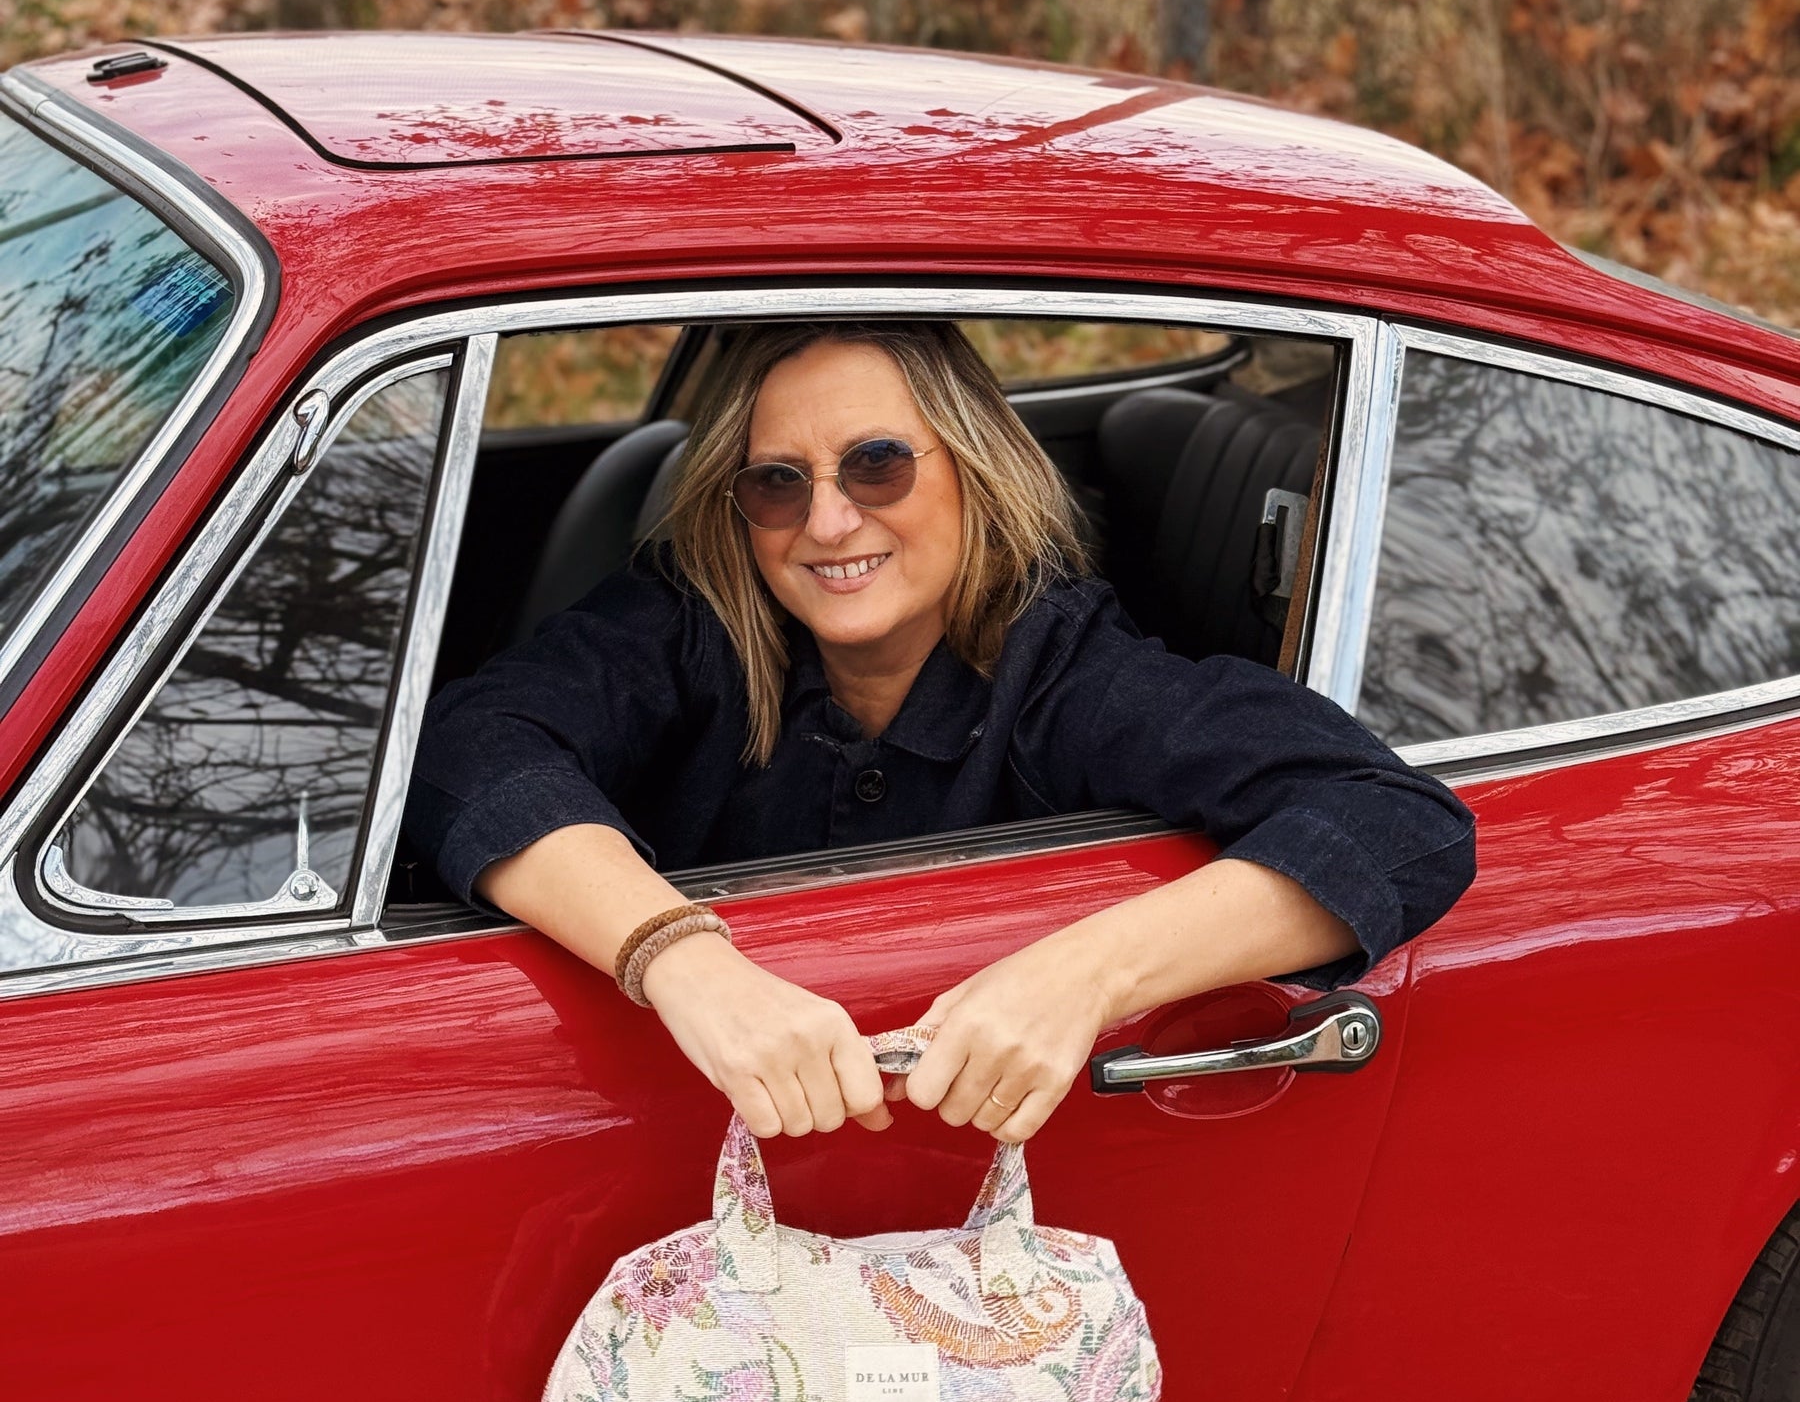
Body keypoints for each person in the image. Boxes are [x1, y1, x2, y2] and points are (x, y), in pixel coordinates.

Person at [406, 320, 1474, 1144]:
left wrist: (1081, 977)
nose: (828, 522)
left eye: (877, 464)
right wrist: (683, 961)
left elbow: (1393, 822)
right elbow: (468, 745)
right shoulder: (702, 620)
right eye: (779, 483)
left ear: (972, 466)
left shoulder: (1071, 673)